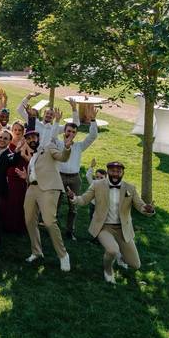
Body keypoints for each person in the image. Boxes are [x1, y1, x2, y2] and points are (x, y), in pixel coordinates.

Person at [70, 160, 155, 283]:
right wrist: (74, 198)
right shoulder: (97, 185)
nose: (115, 173)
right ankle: (108, 269)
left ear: (123, 173)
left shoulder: (130, 188)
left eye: (118, 171)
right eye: (112, 171)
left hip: (123, 229)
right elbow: (83, 200)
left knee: (135, 265)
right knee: (112, 250)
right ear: (108, 171)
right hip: (104, 227)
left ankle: (119, 258)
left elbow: (140, 206)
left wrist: (147, 209)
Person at [18, 129, 73, 272]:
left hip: (49, 189)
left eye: (33, 137)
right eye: (28, 139)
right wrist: (26, 176)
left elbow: (62, 157)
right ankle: (36, 252)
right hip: (32, 189)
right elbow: (37, 174)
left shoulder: (48, 147)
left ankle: (63, 255)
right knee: (29, 220)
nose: (31, 140)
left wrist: (67, 147)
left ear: (38, 137)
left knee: (49, 222)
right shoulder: (33, 156)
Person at [55, 100, 98, 240]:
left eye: (74, 132)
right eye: (68, 131)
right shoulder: (58, 143)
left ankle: (70, 231)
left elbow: (93, 136)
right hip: (59, 177)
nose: (71, 133)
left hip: (75, 179)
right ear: (64, 132)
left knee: (73, 207)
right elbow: (52, 133)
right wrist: (62, 117)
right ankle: (52, 228)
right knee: (56, 204)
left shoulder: (79, 146)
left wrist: (93, 120)